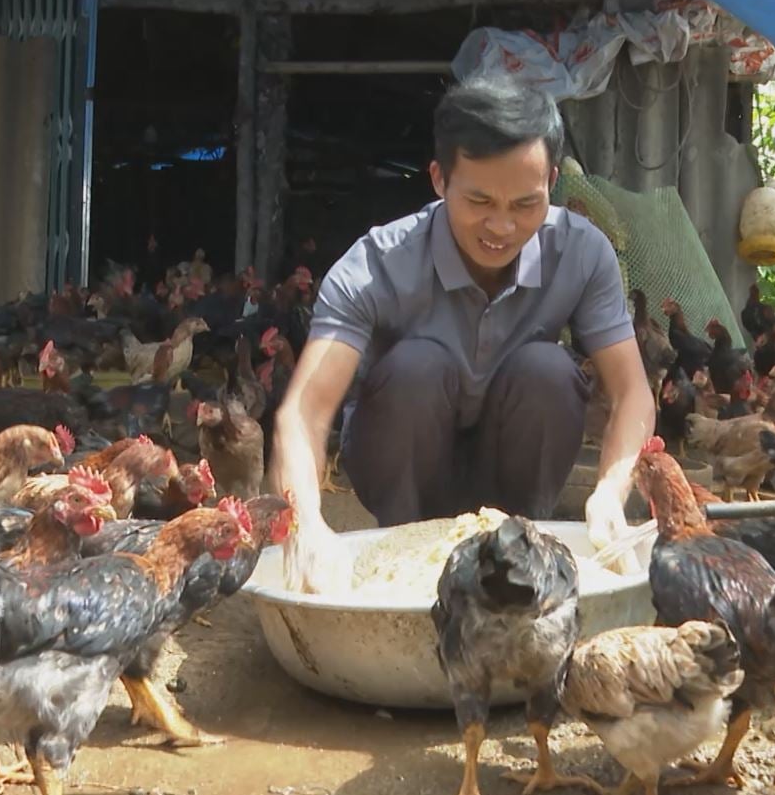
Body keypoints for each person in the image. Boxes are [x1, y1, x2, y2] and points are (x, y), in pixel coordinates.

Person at [270, 77, 656, 594]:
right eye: (479, 200)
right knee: (417, 368)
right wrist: (304, 524)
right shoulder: (376, 265)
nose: (501, 226)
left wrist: (610, 490)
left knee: (550, 370)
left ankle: (523, 552)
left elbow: (632, 391)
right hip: (404, 470)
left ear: (553, 182)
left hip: (513, 467)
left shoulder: (584, 254)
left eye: (526, 204)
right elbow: (304, 413)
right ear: (438, 179)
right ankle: (402, 550)